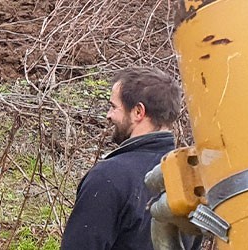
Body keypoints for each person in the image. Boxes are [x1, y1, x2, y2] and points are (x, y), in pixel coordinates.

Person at [61, 67, 185, 250]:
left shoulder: (109, 178)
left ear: (138, 112)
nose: (108, 115)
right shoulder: (187, 180)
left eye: (113, 107)